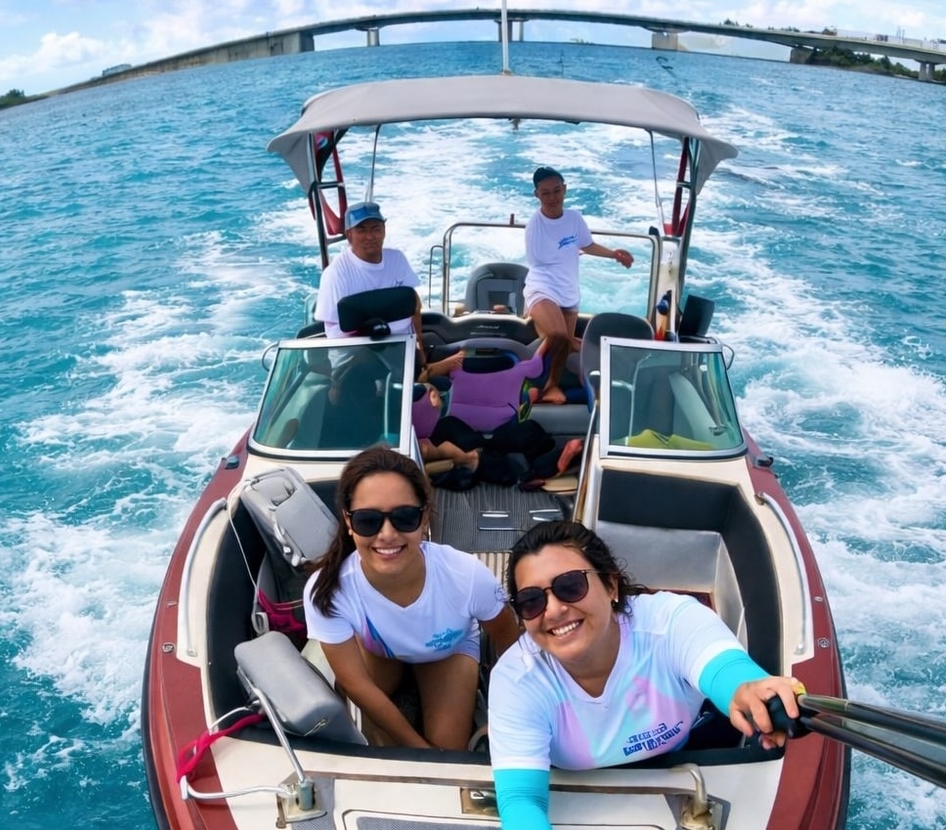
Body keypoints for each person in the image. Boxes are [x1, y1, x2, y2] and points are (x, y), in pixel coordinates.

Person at [488, 520, 804, 829]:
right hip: (576, 795)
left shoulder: (671, 622)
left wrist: (751, 692)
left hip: (679, 767)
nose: (554, 610)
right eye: (532, 601)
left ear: (611, 585)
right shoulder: (517, 678)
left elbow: (727, 672)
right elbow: (522, 800)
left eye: (570, 586)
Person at [303, 447, 520, 749]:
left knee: (448, 749)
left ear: (425, 517)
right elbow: (357, 685)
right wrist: (420, 752)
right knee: (382, 741)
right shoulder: (327, 590)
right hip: (381, 653)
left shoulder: (467, 575)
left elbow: (510, 643)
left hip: (448, 652)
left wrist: (506, 709)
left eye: (404, 517)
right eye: (368, 520)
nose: (387, 534)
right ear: (349, 523)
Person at [314, 199, 460, 380]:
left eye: (375, 228)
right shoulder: (335, 274)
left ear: (384, 231)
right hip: (355, 359)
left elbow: (414, 307)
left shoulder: (397, 259)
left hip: (402, 350)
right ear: (349, 234)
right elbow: (335, 334)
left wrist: (420, 351)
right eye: (362, 230)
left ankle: (424, 372)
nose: (370, 236)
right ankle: (422, 375)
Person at [524, 167, 635, 404]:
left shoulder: (574, 218)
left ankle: (556, 381)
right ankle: (542, 382)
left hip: (568, 290)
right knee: (558, 335)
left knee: (564, 343)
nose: (552, 197)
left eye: (556, 191)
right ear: (537, 195)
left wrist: (614, 254)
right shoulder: (535, 225)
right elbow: (539, 261)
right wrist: (568, 247)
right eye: (545, 193)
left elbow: (587, 244)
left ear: (565, 189)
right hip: (543, 287)